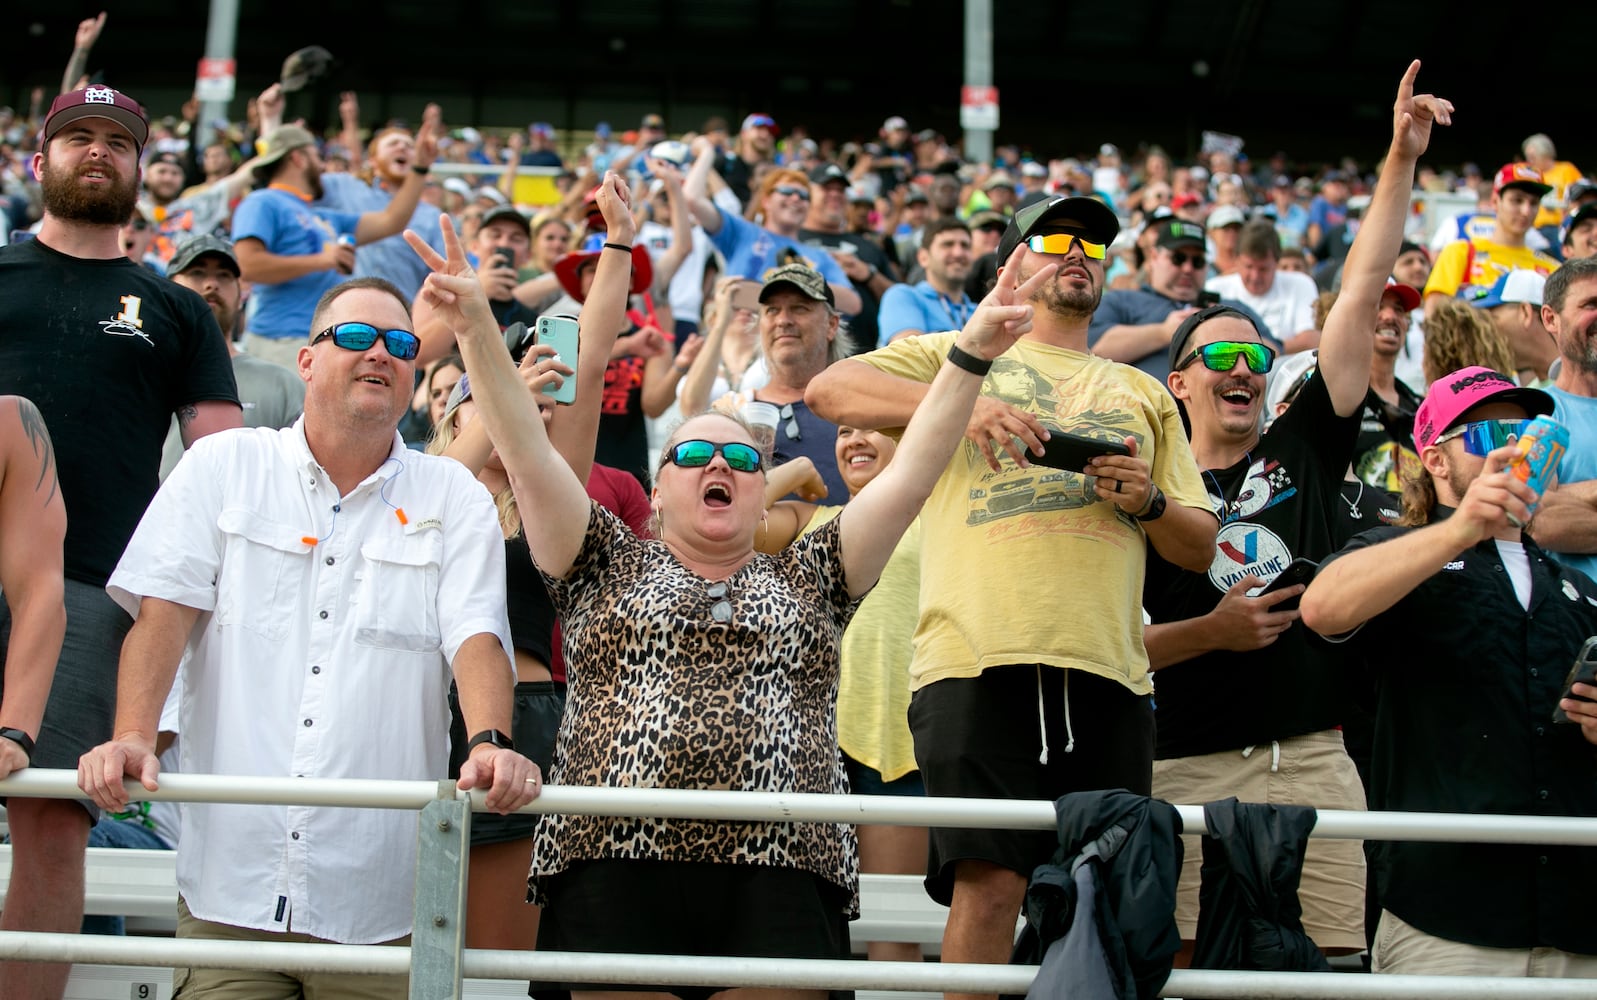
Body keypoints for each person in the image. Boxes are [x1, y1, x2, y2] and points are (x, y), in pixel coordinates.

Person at [423, 169, 1054, 1000]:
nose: (716, 463)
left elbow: (912, 475)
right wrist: (475, 328)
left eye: (740, 457)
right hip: (616, 857)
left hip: (784, 865)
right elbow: (530, 450)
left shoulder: (816, 571)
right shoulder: (601, 557)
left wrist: (969, 352)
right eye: (691, 453)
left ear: (765, 486)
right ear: (659, 485)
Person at [77, 274, 539, 997]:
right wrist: (135, 734)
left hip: (380, 899)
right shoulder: (221, 465)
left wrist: (490, 746)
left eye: (400, 343)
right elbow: (162, 616)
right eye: (354, 336)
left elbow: (477, 636)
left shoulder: (454, 495)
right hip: (228, 890)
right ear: (306, 360)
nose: (378, 353)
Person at [806, 194, 1216, 1000]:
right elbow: (829, 391)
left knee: (1104, 898)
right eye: (1055, 238)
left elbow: (1200, 545)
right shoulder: (954, 353)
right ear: (1008, 269)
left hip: (1108, 668)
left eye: (1095, 246)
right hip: (973, 658)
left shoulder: (1142, 391)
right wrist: (960, 402)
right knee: (988, 888)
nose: (1078, 253)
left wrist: (1148, 502)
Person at [1140, 62, 1450, 964]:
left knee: (1332, 972)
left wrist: (1398, 156)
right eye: (1218, 353)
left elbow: (1357, 292)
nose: (1241, 365)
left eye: (1255, 351)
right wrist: (1213, 632)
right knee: (1186, 969)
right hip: (1181, 763)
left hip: (1312, 761)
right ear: (1180, 382)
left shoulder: (1302, 443)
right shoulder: (1142, 488)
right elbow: (1113, 649)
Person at [0, 85, 241, 1000]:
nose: (96, 153)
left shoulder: (172, 307)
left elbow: (220, 464)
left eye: (117, 142)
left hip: (93, 593)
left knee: (55, 822)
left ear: (142, 171)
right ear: (39, 162)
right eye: (76, 139)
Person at [1300, 367, 1597, 978]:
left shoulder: (1580, 590)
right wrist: (1464, 528)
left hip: (1578, 918)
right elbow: (1322, 607)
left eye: (1528, 431)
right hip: (1447, 916)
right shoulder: (1396, 555)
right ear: (1434, 460)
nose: (1512, 447)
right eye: (1487, 436)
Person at [757, 426, 927, 964]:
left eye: (871, 426)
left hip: (897, 744)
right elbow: (731, 516)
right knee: (793, 930)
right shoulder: (811, 519)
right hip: (800, 747)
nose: (854, 438)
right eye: (844, 430)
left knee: (891, 934)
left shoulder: (941, 517)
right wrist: (800, 472)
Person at [232, 121, 438, 369]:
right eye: (317, 156)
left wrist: (420, 168)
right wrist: (324, 260)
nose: (322, 166)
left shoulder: (323, 216)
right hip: (280, 340)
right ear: (298, 158)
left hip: (322, 340)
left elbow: (391, 221)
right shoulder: (263, 201)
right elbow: (246, 265)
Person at [158, 234, 307, 477]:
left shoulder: (281, 384)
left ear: (241, 295)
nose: (211, 285)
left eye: (224, 276)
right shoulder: (143, 371)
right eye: (197, 273)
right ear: (167, 287)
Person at [684, 146, 863, 315]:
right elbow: (692, 199)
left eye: (803, 196)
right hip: (739, 339)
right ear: (766, 201)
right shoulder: (741, 232)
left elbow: (853, 303)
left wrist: (795, 282)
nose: (795, 199)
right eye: (786, 191)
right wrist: (707, 152)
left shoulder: (819, 255)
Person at [1089, 218, 1273, 379]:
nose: (1188, 268)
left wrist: (1224, 328)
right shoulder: (1122, 301)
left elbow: (1274, 351)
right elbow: (1092, 350)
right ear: (1154, 257)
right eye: (1178, 258)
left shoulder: (1231, 308)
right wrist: (1165, 332)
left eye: (1197, 261)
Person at [1422, 163, 1559, 314]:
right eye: (1517, 200)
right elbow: (1434, 319)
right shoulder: (1460, 252)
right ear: (1495, 202)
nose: (1526, 211)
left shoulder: (1552, 269)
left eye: (1534, 203)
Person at [876, 218, 977, 345]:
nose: (958, 253)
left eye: (965, 245)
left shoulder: (979, 312)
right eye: (948, 244)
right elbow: (912, 353)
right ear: (923, 257)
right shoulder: (903, 296)